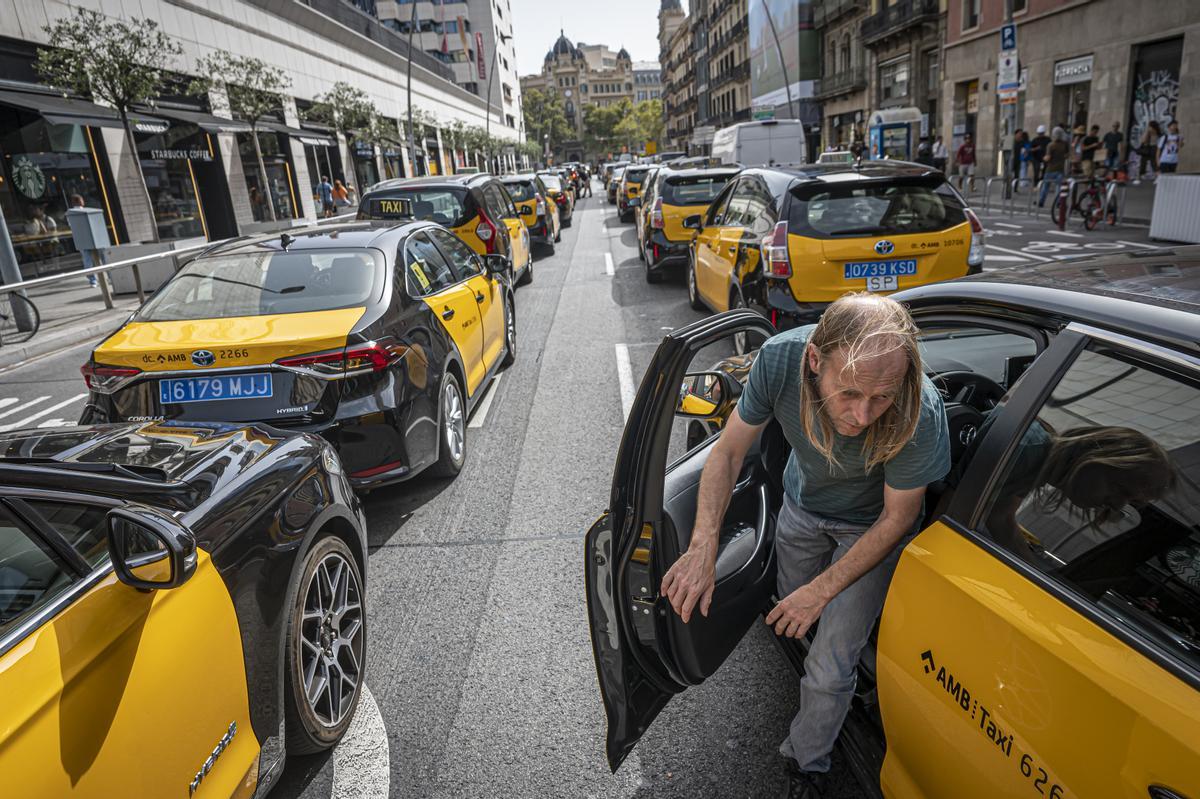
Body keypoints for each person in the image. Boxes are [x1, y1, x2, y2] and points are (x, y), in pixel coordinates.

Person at [660, 294, 950, 799]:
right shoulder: (778, 359)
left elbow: (897, 517)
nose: (862, 415)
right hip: (800, 505)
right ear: (815, 360)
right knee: (793, 605)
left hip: (871, 527)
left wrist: (825, 591)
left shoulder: (918, 407)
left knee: (830, 660)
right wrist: (703, 544)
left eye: (880, 398)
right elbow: (728, 452)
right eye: (850, 393)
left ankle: (807, 762)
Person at [985, 422, 1174, 564]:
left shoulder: (1033, 463)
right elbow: (959, 511)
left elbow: (1000, 518)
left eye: (1130, 500)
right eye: (1120, 489)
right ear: (1095, 457)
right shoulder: (1024, 453)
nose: (1117, 505)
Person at [1038, 126, 1070, 207]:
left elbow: (1048, 157)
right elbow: (1066, 155)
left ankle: (1041, 201)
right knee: (1060, 187)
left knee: (1045, 186)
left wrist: (1043, 158)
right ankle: (1059, 202)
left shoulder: (1051, 145)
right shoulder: (1064, 145)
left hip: (1050, 169)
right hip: (1060, 169)